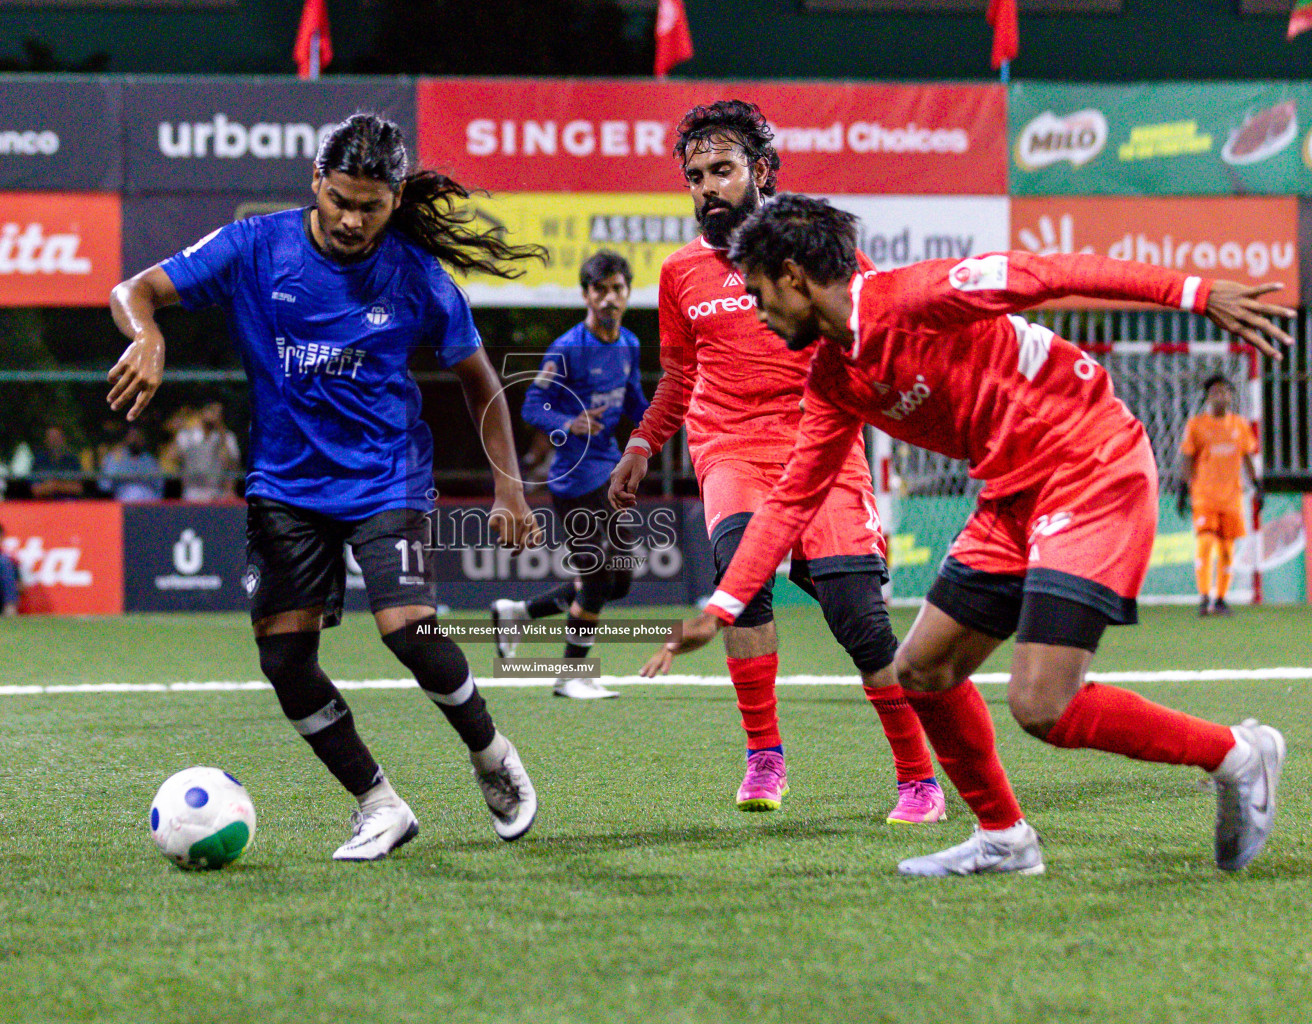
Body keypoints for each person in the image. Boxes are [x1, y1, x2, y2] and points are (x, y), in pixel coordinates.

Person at [649, 194, 1288, 876]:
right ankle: (1005, 838)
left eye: (758, 294)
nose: (759, 314)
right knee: (921, 670)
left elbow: (1048, 273)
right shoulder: (834, 378)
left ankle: (1239, 756)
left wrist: (1193, 292)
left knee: (1043, 704)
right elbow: (791, 501)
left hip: (1090, 464)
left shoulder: (916, 296)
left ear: (794, 278)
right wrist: (721, 609)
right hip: (1011, 493)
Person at [107, 111, 548, 863]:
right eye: (339, 198)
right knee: (284, 661)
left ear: (396, 197)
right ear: (315, 180)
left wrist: (509, 487)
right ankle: (378, 804)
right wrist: (147, 334)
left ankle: (490, 752)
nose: (350, 219)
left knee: (408, 628)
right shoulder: (254, 247)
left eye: (370, 206)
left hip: (386, 476)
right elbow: (133, 291)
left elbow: (481, 384)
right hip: (286, 485)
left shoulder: (414, 273)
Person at [606, 100, 943, 822]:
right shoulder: (680, 274)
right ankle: (764, 760)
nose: (706, 188)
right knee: (743, 587)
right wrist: (641, 444)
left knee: (861, 622)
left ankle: (918, 777)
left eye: (721, 170)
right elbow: (679, 377)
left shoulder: (816, 248)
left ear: (761, 171)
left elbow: (878, 323)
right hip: (730, 452)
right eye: (694, 175)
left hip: (822, 450)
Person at [492, 250, 648, 700]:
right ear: (586, 295)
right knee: (599, 578)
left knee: (619, 578)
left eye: (617, 289)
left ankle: (519, 613)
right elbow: (531, 406)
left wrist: (666, 420)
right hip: (575, 481)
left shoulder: (630, 345)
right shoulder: (567, 348)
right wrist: (569, 423)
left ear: (627, 293)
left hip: (611, 470)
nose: (609, 298)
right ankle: (571, 676)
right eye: (600, 290)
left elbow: (634, 398)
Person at [1179, 375, 1261, 617]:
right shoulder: (1196, 425)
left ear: (1231, 396)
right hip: (1204, 494)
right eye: (1215, 391)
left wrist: (1258, 485)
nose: (1220, 396)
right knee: (1205, 543)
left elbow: (1247, 457)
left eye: (1224, 391)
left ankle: (1221, 599)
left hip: (1232, 497)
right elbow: (1187, 457)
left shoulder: (1240, 425)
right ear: (1207, 396)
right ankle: (1204, 597)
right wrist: (1184, 489)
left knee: (1227, 550)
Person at [175, 401, 241, 501]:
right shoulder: (187, 434)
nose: (213, 415)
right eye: (211, 411)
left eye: (217, 413)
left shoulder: (227, 437)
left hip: (216, 492)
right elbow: (175, 457)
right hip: (191, 491)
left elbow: (231, 463)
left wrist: (220, 429)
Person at [101, 425, 165, 502]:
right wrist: (116, 463)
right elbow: (104, 485)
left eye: (138, 436)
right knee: (134, 492)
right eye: (132, 436)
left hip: (148, 500)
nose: (135, 439)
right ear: (126, 438)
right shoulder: (115, 457)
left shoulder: (149, 459)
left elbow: (159, 485)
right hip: (125, 499)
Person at [30, 426, 85, 500]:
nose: (54, 441)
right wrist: (65, 485)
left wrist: (55, 485)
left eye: (57, 437)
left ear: (63, 439)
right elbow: (35, 490)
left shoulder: (72, 460)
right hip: (44, 505)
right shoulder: (39, 461)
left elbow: (78, 488)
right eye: (51, 438)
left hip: (68, 505)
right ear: (45, 440)